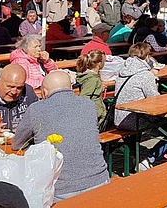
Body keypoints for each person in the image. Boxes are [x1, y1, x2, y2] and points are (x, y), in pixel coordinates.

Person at [11, 70, 109, 202]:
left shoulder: (36, 109)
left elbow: (17, 144)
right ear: (70, 88)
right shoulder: (89, 105)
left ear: (44, 92)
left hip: (61, 190)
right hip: (100, 180)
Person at [115, 43, 167, 170]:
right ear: (147, 57)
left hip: (119, 118)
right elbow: (155, 101)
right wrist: (155, 80)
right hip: (136, 119)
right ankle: (148, 159)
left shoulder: (121, 72)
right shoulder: (145, 75)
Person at [0, 64, 38, 137]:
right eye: (10, 86)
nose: (14, 92)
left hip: (22, 144)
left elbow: (39, 119)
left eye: (19, 88)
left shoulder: (28, 93)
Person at [75, 49, 107, 125]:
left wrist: (100, 88)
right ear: (99, 64)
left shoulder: (92, 77)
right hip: (94, 113)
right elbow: (84, 96)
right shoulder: (92, 79)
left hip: (96, 112)